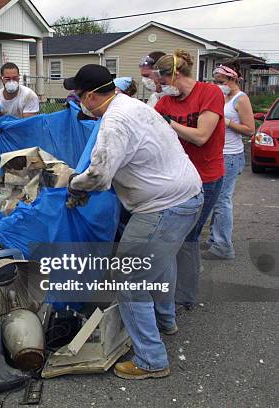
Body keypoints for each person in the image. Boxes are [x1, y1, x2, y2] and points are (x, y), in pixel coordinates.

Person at [65, 64, 203, 380]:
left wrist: (75, 184)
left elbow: (99, 177)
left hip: (164, 206)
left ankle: (151, 360)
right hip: (188, 195)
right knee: (161, 260)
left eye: (78, 95)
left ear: (88, 96)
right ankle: (165, 319)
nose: (78, 100)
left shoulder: (114, 122)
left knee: (127, 280)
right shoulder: (132, 104)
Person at [153, 50, 225, 309]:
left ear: (174, 75)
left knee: (189, 236)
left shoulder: (210, 93)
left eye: (162, 82)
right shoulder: (164, 103)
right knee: (176, 236)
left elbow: (201, 136)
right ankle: (172, 293)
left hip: (206, 176)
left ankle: (185, 296)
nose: (160, 88)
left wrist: (169, 122)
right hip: (177, 178)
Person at [204, 61, 255, 260]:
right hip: (218, 152)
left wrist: (226, 122)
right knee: (214, 200)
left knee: (222, 201)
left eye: (221, 81)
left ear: (233, 78)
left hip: (231, 155)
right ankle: (214, 241)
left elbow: (250, 129)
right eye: (216, 81)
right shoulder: (223, 96)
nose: (218, 84)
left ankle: (223, 246)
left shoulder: (241, 99)